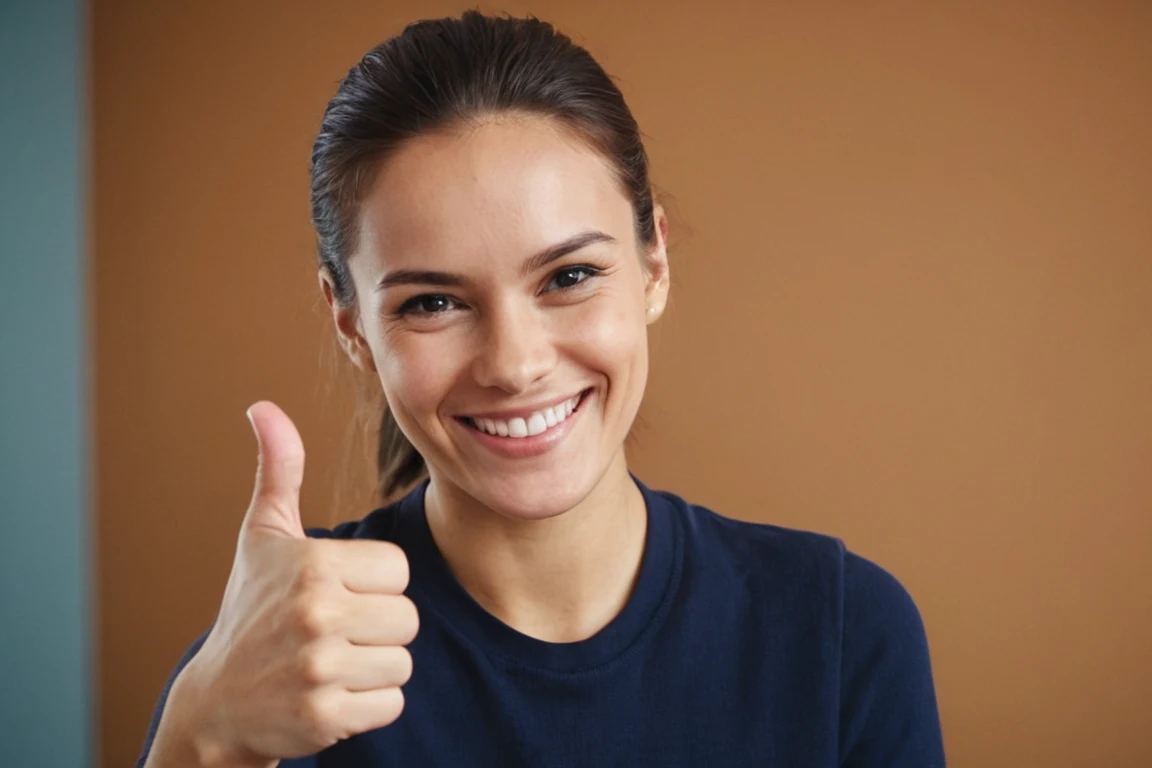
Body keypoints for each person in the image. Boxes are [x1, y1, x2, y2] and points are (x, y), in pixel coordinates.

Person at [137, 10, 945, 767]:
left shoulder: (842, 633)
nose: (515, 364)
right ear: (349, 323)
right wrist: (198, 734)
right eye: (433, 302)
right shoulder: (284, 665)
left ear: (654, 265)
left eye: (569, 276)